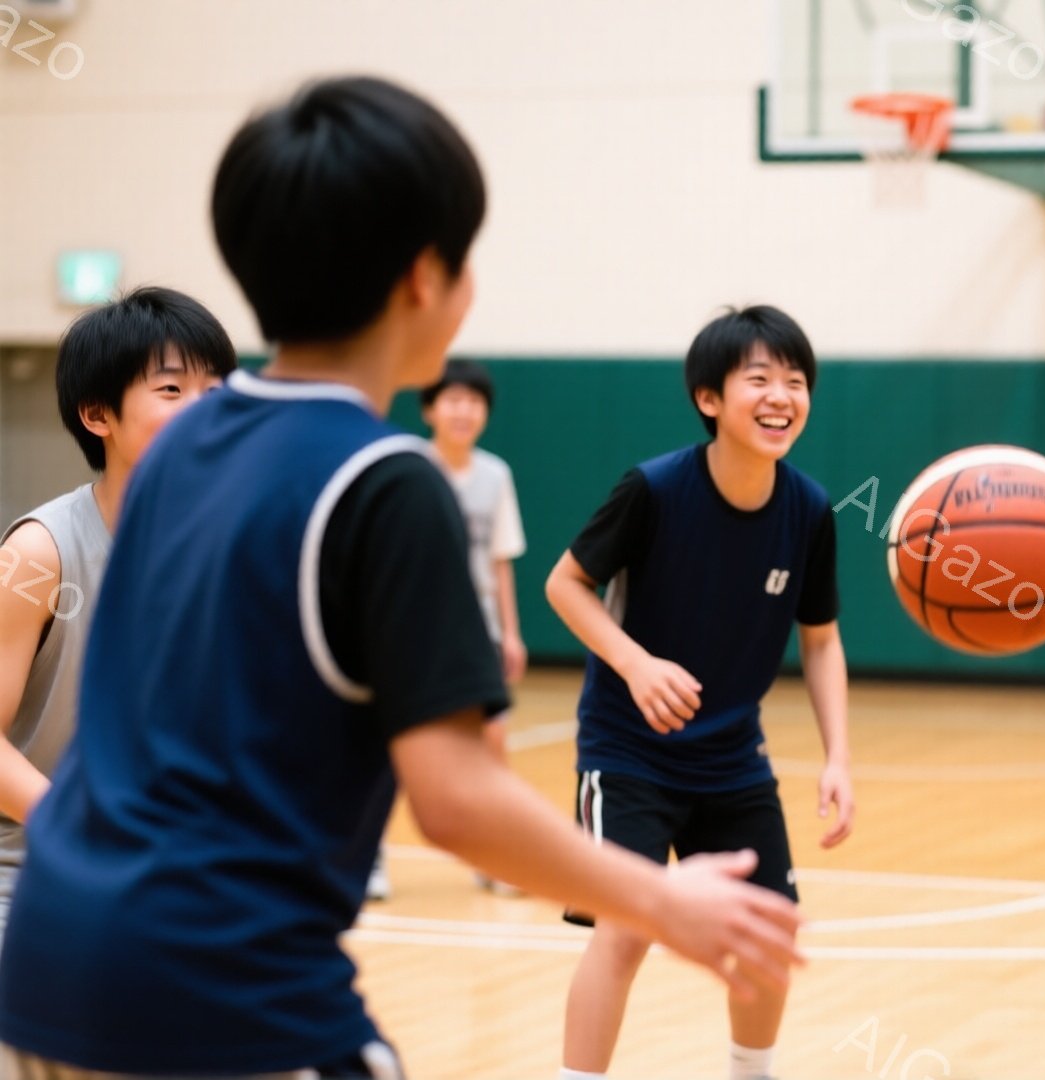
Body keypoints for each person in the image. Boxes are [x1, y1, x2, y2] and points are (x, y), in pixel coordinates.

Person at [0, 76, 800, 1078]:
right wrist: (661, 898)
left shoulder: (176, 457)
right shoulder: (386, 483)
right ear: (425, 278)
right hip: (213, 981)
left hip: (52, 959)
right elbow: (456, 802)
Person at [549, 305, 853, 1080]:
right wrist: (635, 664)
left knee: (771, 930)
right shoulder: (653, 489)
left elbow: (821, 639)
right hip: (628, 754)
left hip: (731, 759)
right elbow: (565, 584)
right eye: (760, 379)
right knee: (625, 928)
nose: (781, 396)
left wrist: (838, 758)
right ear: (709, 398)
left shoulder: (809, 510)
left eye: (796, 381)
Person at [0, 287, 235, 951]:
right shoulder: (37, 554)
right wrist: (86, 833)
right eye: (172, 390)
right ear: (97, 414)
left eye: (216, 391)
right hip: (31, 884)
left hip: (174, 886)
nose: (202, 411)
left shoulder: (228, 547)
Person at [369, 358, 530, 901]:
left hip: (477, 626)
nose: (464, 411)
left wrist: (511, 632)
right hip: (413, 623)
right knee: (394, 746)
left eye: (474, 402)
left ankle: (495, 859)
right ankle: (369, 859)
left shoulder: (495, 475)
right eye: (453, 400)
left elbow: (501, 560)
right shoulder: (408, 467)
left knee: (492, 742)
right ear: (430, 408)